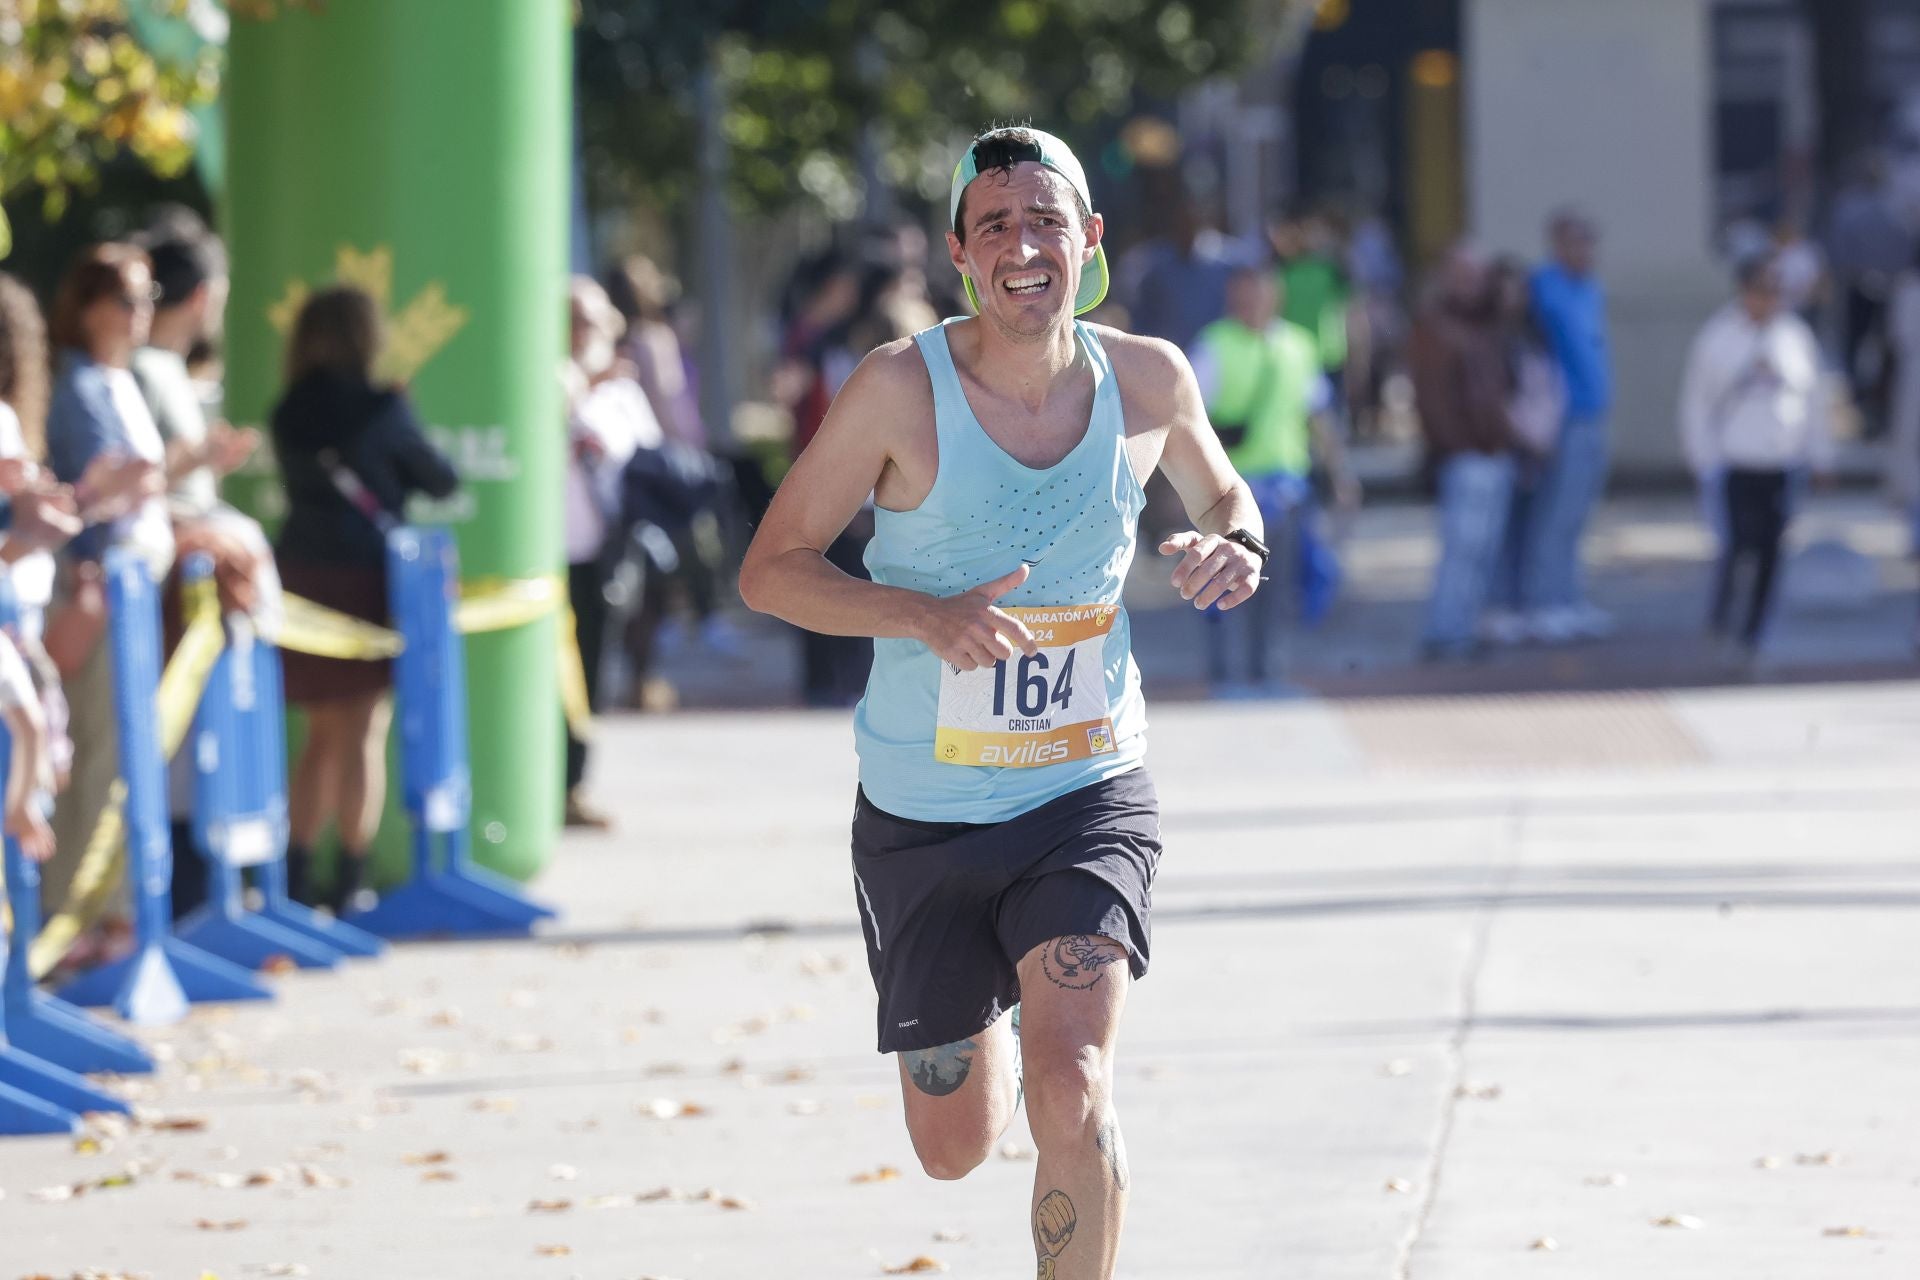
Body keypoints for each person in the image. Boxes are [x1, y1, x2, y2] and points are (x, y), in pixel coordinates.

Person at [739, 125, 1267, 1280]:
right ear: (960, 255)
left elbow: (1228, 495)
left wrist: (1234, 547)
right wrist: (923, 616)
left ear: (1090, 237)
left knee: (1074, 1088)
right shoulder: (896, 390)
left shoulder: (1148, 378)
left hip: (1085, 788)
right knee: (953, 1142)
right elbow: (770, 568)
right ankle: (991, 1014)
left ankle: (1050, 1017)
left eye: (1046, 220)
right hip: (925, 811)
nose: (1023, 245)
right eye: (995, 226)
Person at [270, 286, 458, 914]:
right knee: (361, 733)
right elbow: (439, 478)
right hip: (364, 576)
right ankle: (350, 884)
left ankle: (294, 882)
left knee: (319, 734)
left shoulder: (288, 409)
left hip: (300, 574)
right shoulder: (381, 407)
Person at [41, 243, 172, 923]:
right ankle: (80, 922)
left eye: (148, 297)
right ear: (89, 308)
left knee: (111, 761)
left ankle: (103, 918)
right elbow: (88, 496)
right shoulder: (82, 386)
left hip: (127, 591)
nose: (141, 313)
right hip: (98, 590)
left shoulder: (123, 380)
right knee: (94, 761)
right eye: (127, 299)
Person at [1188, 262, 1354, 688]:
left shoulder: (1298, 346)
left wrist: (1338, 472)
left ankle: (1267, 667)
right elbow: (1185, 421)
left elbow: (1317, 415)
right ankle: (1222, 671)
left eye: (1260, 293)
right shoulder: (1213, 346)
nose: (1252, 303)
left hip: (1286, 487)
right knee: (1221, 583)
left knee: (1276, 583)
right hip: (1226, 491)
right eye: (1244, 295)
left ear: (1275, 297)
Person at [1679, 254, 1832, 657]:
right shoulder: (1717, 337)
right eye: (1763, 290)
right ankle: (1721, 622)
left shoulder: (1795, 335)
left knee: (1770, 550)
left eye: (1777, 292)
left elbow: (1814, 398)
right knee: (1735, 547)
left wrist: (1820, 453)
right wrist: (1703, 460)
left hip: (1781, 462)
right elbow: (1697, 404)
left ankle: (1754, 632)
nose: (1770, 299)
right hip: (1735, 462)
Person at [562, 276, 657, 828]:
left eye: (591, 320)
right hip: (543, 557)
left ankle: (574, 784)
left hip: (600, 556)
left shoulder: (620, 393)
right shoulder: (544, 380)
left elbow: (641, 464)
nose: (580, 331)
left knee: (590, 677)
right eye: (571, 319)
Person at [1408, 244, 1527, 661]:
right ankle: (1447, 634)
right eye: (1462, 275)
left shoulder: (1488, 325)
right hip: (1466, 457)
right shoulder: (1436, 327)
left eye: (1477, 276)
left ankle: (1465, 628)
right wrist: (1459, 444)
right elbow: (1433, 401)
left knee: (1484, 553)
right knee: (1461, 552)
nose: (1471, 284)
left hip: (1494, 454)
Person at [1526, 209, 1616, 642]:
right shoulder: (1543, 288)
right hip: (1564, 419)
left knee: (1579, 518)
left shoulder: (1592, 289)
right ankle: (1547, 603)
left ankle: (1571, 598)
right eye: (1577, 242)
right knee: (1556, 517)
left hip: (1593, 414)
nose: (1586, 251)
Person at [1484, 256, 1569, 646]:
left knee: (1535, 528)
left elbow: (1549, 387)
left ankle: (1529, 603)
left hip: (1540, 445)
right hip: (1511, 445)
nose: (1513, 297)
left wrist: (1546, 435)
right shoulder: (1490, 338)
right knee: (1505, 530)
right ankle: (1500, 605)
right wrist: (1522, 435)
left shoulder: (1536, 335)